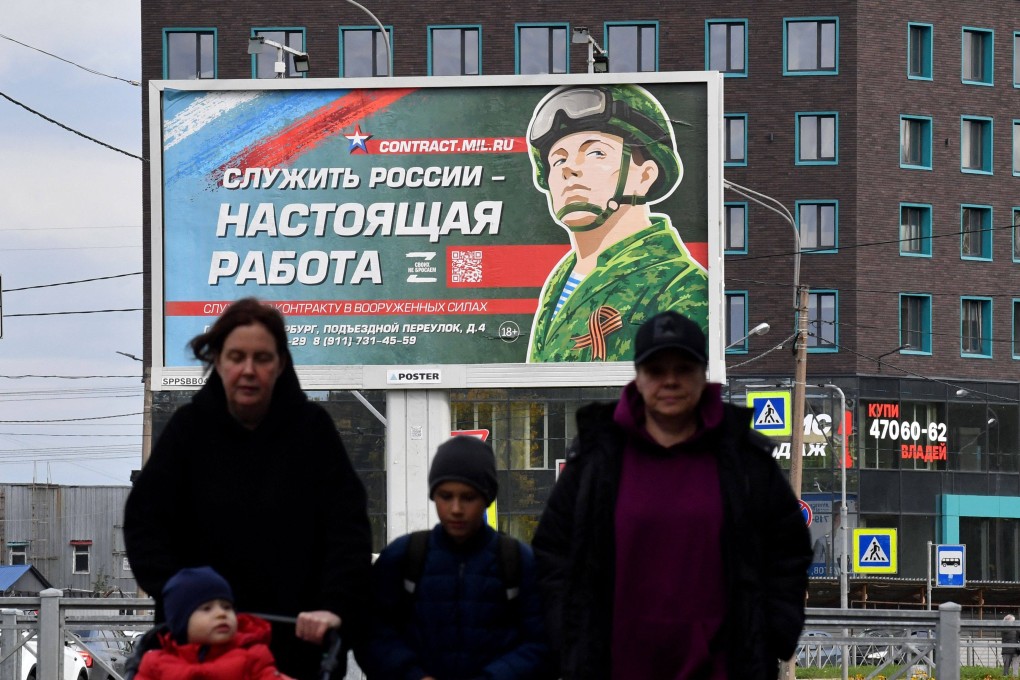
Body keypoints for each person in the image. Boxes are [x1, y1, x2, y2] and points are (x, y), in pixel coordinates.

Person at [531, 310, 813, 680]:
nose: (670, 381)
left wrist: (775, 631)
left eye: (683, 368)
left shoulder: (742, 460)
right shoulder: (598, 460)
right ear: (638, 377)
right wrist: (567, 640)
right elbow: (552, 553)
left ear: (702, 375)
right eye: (656, 370)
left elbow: (788, 548)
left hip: (723, 670)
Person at [124, 297, 373, 679]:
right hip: (199, 656)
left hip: (297, 647)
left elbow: (348, 531)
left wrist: (334, 606)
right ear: (218, 361)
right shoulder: (188, 431)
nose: (248, 370)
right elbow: (145, 525)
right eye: (236, 356)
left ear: (281, 364)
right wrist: (183, 597)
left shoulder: (313, 432)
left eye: (262, 358)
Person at [525, 84, 709, 363]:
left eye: (596, 153)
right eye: (557, 158)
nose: (568, 168)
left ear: (645, 176)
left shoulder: (680, 287)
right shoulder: (559, 281)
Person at [356, 436, 555, 680]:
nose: (456, 509)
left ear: (487, 497)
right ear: (433, 496)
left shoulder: (518, 561)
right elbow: (371, 634)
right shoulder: (403, 556)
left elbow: (543, 644)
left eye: (468, 497)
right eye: (445, 496)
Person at [133, 566, 293, 679]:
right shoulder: (155, 663)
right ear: (181, 621)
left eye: (227, 607)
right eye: (207, 608)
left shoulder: (252, 656)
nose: (221, 614)